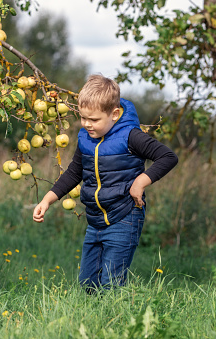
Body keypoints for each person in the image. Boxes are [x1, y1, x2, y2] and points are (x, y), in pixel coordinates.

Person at [33, 74, 178, 291]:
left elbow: (168, 157)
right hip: (96, 221)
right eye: (83, 118)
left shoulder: (131, 136)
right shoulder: (85, 139)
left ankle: (117, 322)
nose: (87, 124)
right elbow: (74, 173)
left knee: (111, 283)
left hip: (125, 216)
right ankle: (94, 322)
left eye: (94, 120)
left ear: (115, 114)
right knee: (87, 282)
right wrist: (47, 200)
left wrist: (140, 182)